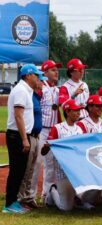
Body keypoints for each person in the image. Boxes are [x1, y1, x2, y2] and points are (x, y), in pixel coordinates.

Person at [3, 64, 41, 214]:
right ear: (28, 75)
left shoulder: (25, 90)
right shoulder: (20, 90)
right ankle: (10, 204)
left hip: (18, 135)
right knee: (17, 171)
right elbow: (18, 116)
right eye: (36, 75)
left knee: (20, 171)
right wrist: (25, 139)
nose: (37, 77)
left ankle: (14, 202)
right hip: (17, 135)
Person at [41, 99, 84, 211]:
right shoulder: (58, 128)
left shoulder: (79, 129)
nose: (78, 113)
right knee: (66, 209)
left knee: (76, 201)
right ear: (68, 112)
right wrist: (47, 146)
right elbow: (44, 152)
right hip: (62, 171)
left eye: (79, 110)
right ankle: (52, 190)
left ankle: (73, 197)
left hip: (76, 171)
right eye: (75, 110)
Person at [18, 72, 46, 209]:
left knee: (31, 168)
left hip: (36, 136)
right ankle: (21, 198)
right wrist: (24, 138)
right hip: (29, 135)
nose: (42, 83)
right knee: (26, 168)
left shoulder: (36, 96)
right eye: (41, 80)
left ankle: (28, 197)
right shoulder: (28, 95)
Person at [37, 60, 62, 203]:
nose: (56, 72)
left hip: (54, 131)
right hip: (42, 131)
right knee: (38, 164)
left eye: (56, 69)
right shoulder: (41, 89)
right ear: (45, 73)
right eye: (53, 70)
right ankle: (35, 195)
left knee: (52, 164)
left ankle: (48, 194)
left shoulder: (57, 90)